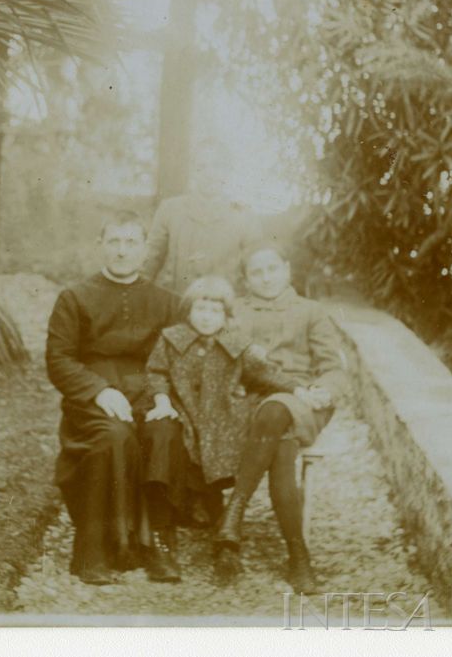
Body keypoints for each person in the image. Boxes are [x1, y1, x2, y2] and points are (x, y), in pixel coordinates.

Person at [44, 210, 185, 585]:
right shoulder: (74, 298)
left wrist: (164, 398)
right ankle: (94, 548)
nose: (122, 252)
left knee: (164, 433)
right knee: (113, 437)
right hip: (94, 394)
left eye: (131, 243)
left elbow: (181, 356)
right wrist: (98, 390)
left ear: (143, 249)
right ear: (100, 245)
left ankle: (157, 543)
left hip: (150, 390)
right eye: (114, 242)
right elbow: (58, 359)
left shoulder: (168, 302)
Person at [140, 276, 304, 573]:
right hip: (185, 411)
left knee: (233, 442)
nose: (206, 317)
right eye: (200, 309)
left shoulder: (236, 344)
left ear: (226, 316)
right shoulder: (172, 338)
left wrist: (297, 388)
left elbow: (265, 374)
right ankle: (183, 518)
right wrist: (162, 401)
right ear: (188, 311)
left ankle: (221, 523)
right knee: (175, 438)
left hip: (223, 416)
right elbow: (156, 372)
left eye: (215, 311)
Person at [213, 241, 350, 592]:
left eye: (272, 269)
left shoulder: (310, 311)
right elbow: (232, 364)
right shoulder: (236, 313)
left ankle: (234, 513)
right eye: (256, 272)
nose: (266, 278)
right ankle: (298, 558)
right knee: (280, 440)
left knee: (278, 411)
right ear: (245, 280)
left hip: (303, 401)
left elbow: (334, 368)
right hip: (250, 402)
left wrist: (325, 391)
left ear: (287, 270)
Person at [142, 139, 263, 295]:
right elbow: (149, 262)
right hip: (174, 303)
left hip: (222, 308)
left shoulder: (244, 215)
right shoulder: (170, 209)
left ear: (228, 171)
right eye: (201, 167)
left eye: (217, 166)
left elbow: (256, 267)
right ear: (192, 171)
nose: (209, 174)